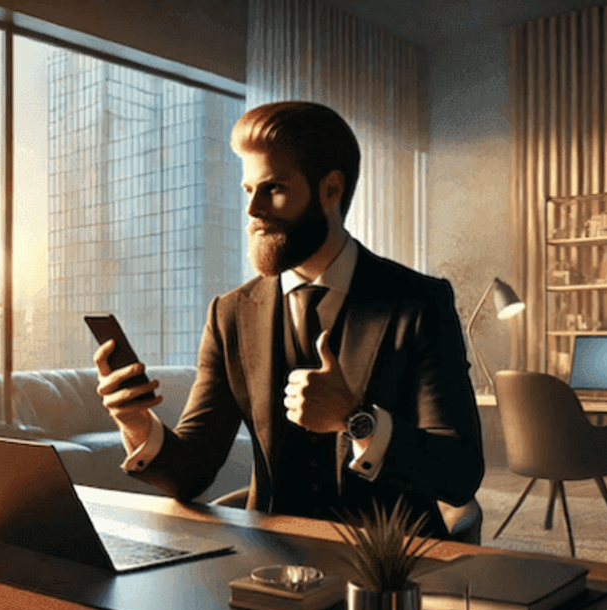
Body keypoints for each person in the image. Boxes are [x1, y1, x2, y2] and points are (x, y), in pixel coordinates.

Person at [93, 101, 483, 538]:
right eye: (247, 190)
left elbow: (460, 474)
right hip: (268, 566)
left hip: (388, 571)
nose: (253, 210)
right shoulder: (230, 315)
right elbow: (192, 474)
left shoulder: (419, 303)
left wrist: (357, 419)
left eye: (273, 188)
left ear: (331, 190)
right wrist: (136, 422)